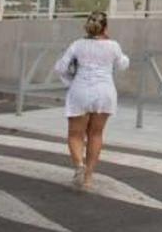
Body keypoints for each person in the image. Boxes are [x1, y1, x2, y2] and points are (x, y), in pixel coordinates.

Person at [53, 11, 129, 190]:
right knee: (96, 134)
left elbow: (61, 67)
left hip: (80, 90)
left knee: (75, 134)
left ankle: (79, 165)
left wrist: (69, 81)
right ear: (105, 28)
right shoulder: (113, 45)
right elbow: (122, 64)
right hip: (104, 92)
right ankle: (88, 177)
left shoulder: (77, 45)